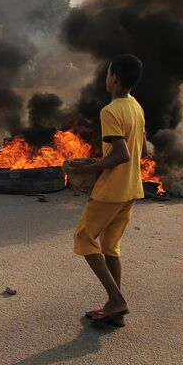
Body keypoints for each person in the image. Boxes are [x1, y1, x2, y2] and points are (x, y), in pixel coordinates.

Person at [66, 54, 146, 328]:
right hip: (132, 187)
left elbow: (120, 154)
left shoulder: (110, 111)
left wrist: (88, 169)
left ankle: (117, 300)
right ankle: (115, 310)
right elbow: (142, 150)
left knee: (84, 237)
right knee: (110, 245)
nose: (106, 77)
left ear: (115, 79)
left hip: (111, 189)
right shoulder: (136, 107)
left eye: (108, 73)